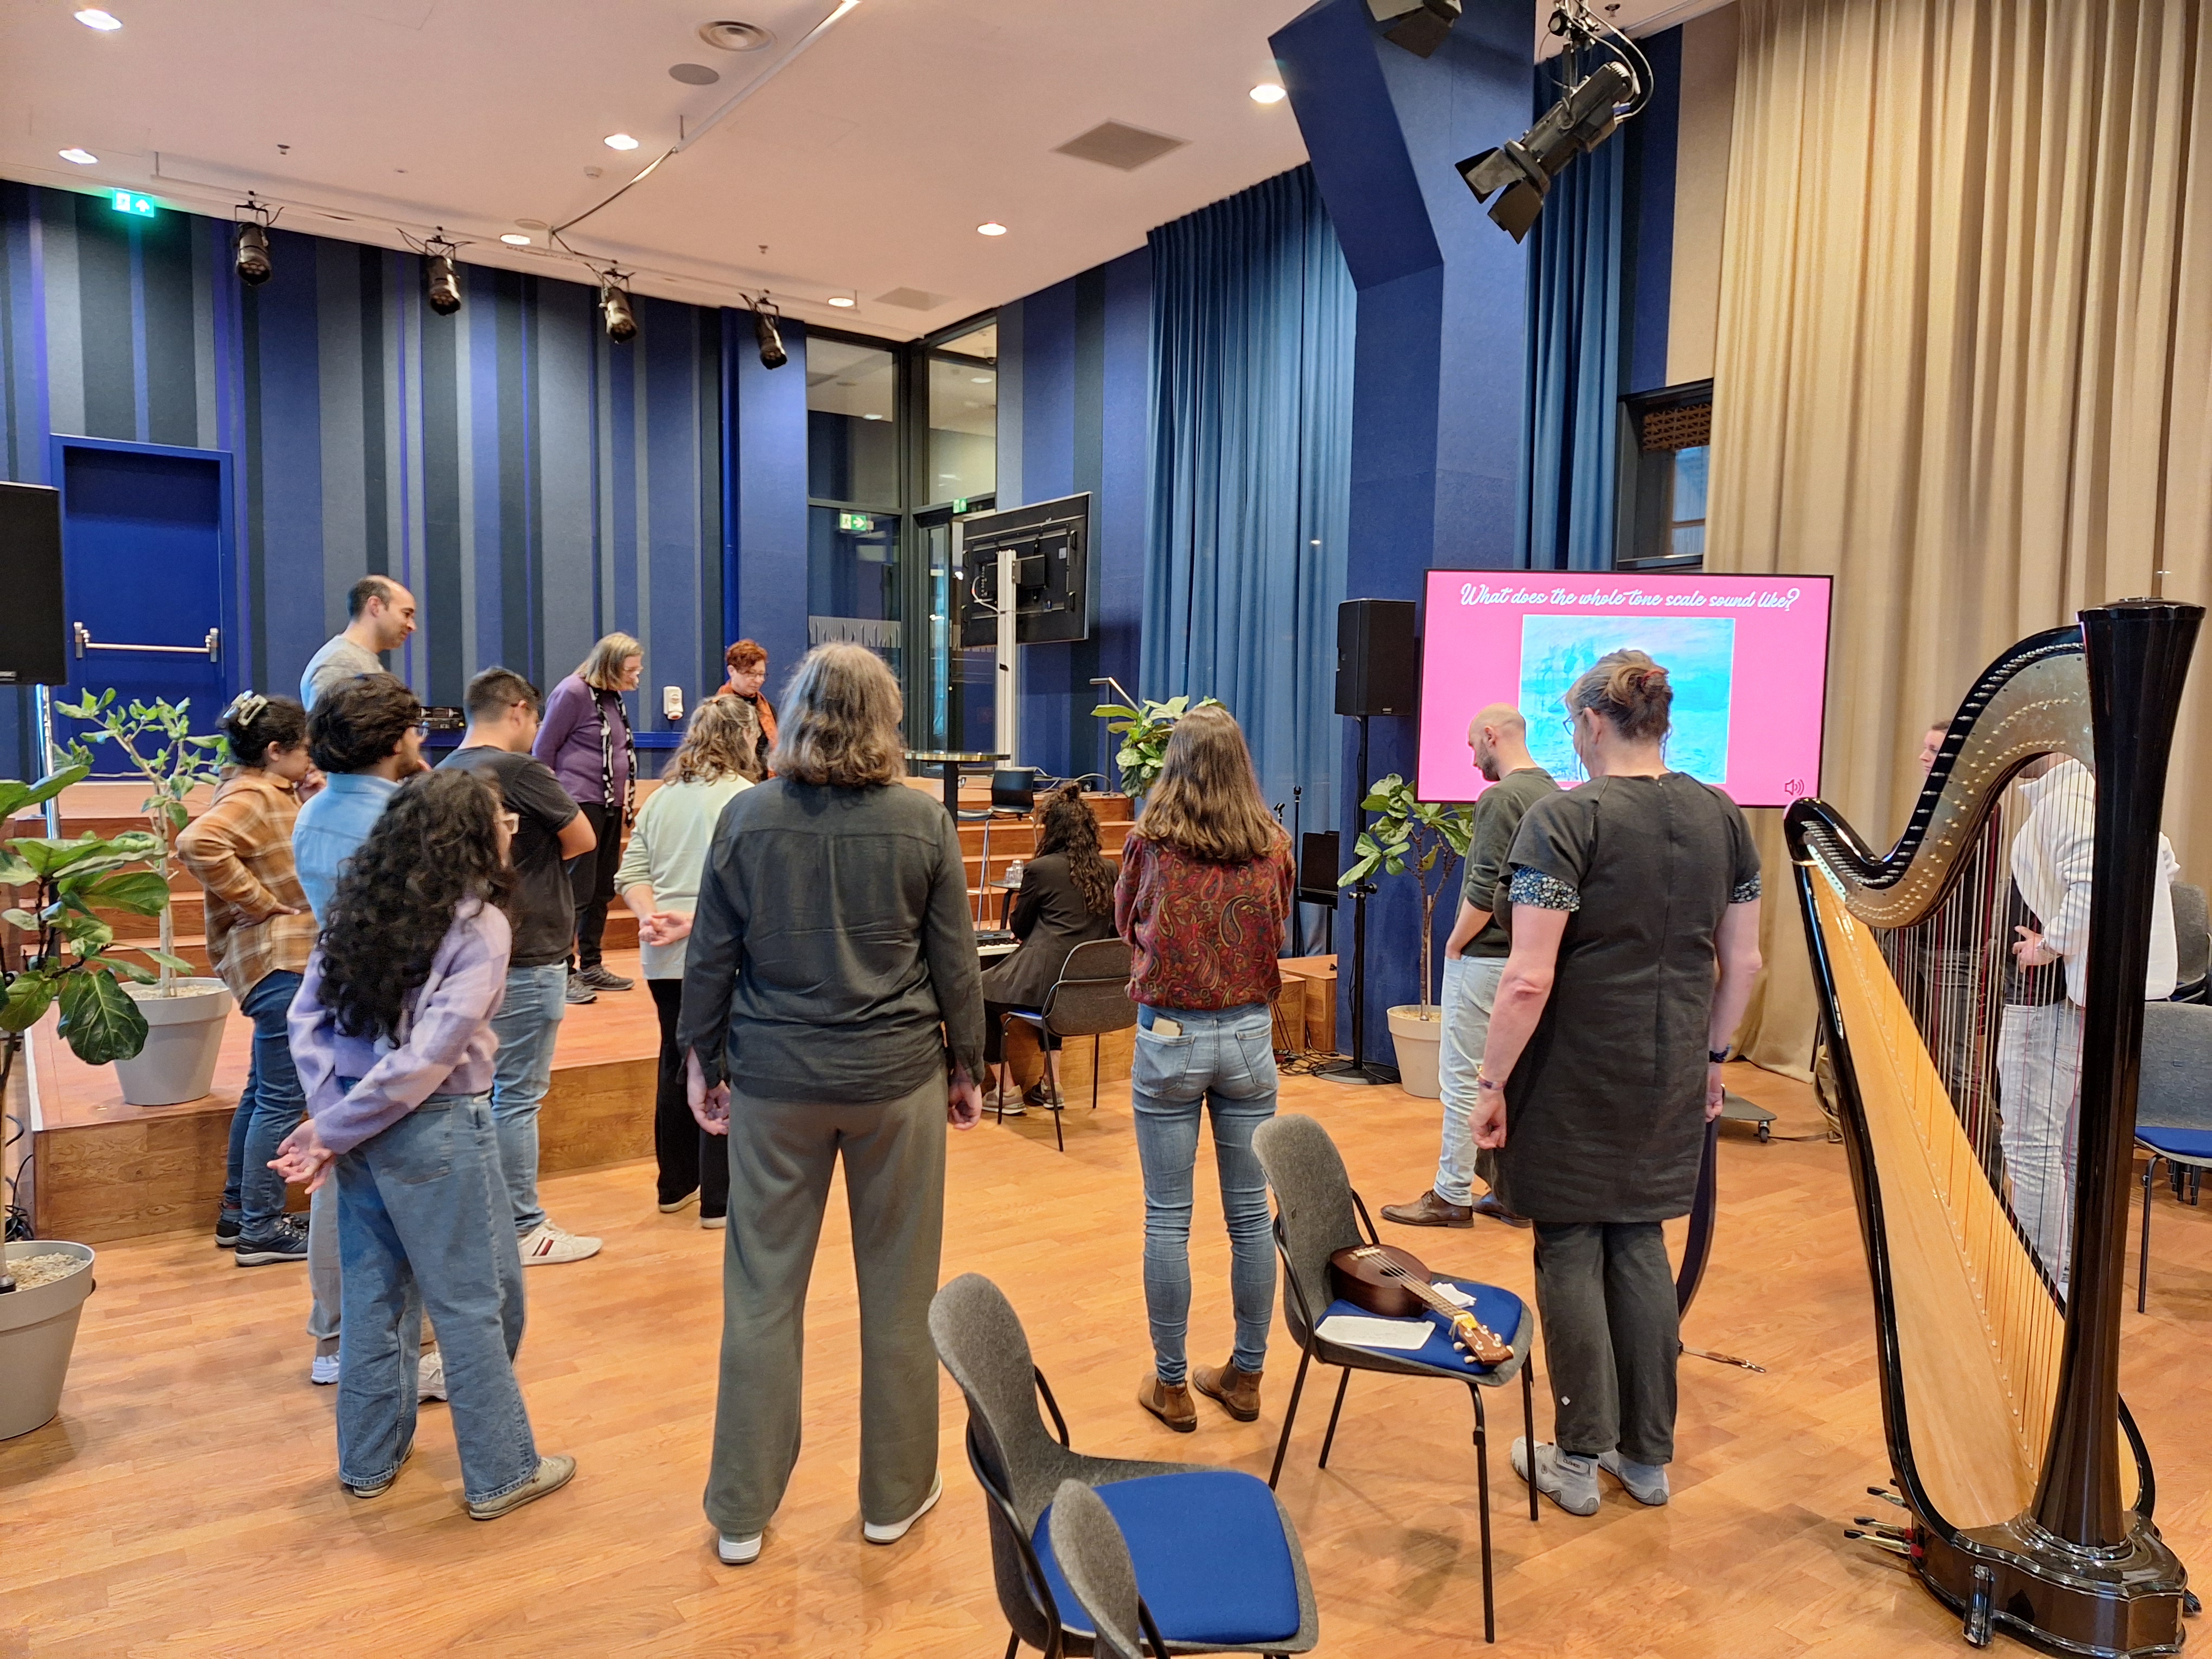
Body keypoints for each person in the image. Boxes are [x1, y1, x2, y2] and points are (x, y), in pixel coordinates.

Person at [677, 642, 984, 1567]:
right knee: (900, 1293)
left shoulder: (747, 816)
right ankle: (894, 1496)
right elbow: (956, 959)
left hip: (775, 1084)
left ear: (798, 715)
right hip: (896, 1081)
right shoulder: (922, 822)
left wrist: (700, 1056)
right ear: (884, 719)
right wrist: (968, 1063)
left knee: (761, 1294)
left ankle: (740, 1511)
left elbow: (711, 952)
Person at [1474, 650, 1763, 1519]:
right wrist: (1713, 1062)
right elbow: (1744, 962)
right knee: (1639, 1243)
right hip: (1671, 1067)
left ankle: (1575, 1458)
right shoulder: (1722, 815)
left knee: (1568, 1245)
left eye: (1573, 724)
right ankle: (1645, 1460)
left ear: (1594, 722)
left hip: (1574, 1070)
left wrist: (1489, 1082)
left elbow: (1528, 979)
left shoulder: (1567, 818)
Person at [273, 768, 576, 1521]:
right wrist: (332, 1128)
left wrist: (332, 1119)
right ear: (472, 836)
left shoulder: (356, 907)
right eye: (502, 820)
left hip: (360, 1128)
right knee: (476, 1302)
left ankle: (368, 1461)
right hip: (435, 1129)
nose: (510, 829)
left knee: (374, 1297)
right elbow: (428, 1060)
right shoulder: (479, 925)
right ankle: (502, 1471)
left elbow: (306, 1022)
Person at [1115, 705, 1295, 1433]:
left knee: (1168, 1218)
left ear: (1177, 764)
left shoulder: (1148, 844)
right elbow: (1279, 925)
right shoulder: (1274, 845)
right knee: (1251, 1219)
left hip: (1170, 1036)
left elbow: (1126, 923)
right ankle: (1246, 1377)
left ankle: (1172, 1386)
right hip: (1249, 1036)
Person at [293, 672, 436, 1393]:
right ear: (392, 739)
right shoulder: (406, 821)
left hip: (339, 1013)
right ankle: (409, 1348)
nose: (420, 740)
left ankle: (336, 1337)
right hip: (403, 1021)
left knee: (339, 1174)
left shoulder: (312, 813)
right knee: (416, 1189)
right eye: (414, 729)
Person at [1997, 755, 2178, 1296]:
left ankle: (2049, 1285)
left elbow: (2095, 882)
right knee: (2066, 1149)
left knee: (2031, 1146)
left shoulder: (2069, 799)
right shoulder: (2094, 795)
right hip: (2079, 1002)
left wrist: (2051, 945)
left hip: (2049, 1001)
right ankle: (2073, 1281)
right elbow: (2163, 863)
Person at [439, 668, 603, 1265]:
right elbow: (583, 839)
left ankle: (480, 1218)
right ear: (517, 710)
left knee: (476, 1093)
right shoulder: (522, 771)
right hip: (528, 950)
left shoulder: (440, 773)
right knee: (518, 1096)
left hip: (464, 953)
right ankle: (523, 1226)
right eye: (534, 717)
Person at [1382, 704, 1555, 1230]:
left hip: (1484, 958)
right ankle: (1512, 1194)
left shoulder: (1500, 799)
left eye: (1472, 745)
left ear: (1491, 736)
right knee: (1516, 1077)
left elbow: (1485, 887)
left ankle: (1450, 1193)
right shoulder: (1553, 793)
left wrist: (1454, 945)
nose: (1473, 758)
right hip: (1531, 956)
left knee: (1462, 1077)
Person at [175, 693, 319, 1268]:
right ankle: (262, 1228)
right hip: (282, 963)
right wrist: (258, 902)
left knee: (263, 1093)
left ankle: (240, 1213)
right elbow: (196, 842)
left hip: (276, 966)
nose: (312, 759)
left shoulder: (265, 790)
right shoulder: (253, 795)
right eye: (305, 749)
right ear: (276, 750)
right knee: (282, 1101)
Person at [615, 695, 761, 1228]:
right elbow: (751, 892)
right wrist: (695, 922)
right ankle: (720, 1201)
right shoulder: (746, 799)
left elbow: (631, 874)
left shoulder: (661, 798)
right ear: (744, 738)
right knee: (722, 1064)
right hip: (720, 956)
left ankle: (674, 1186)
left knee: (675, 1061)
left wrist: (651, 916)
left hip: (662, 957)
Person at [981, 785, 1118, 1116]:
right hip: (1083, 986)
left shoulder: (1041, 870)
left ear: (1051, 829)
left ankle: (1006, 1090)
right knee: (1054, 994)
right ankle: (1052, 1083)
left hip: (1047, 982)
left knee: (975, 993)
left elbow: (1019, 927)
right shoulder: (1109, 869)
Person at [535, 634, 641, 1005]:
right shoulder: (572, 692)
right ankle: (562, 971)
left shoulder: (611, 696)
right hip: (579, 802)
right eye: (631, 670)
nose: (638, 675)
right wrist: (549, 805)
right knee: (577, 890)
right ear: (610, 666)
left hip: (610, 803)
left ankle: (592, 963)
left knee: (602, 887)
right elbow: (544, 749)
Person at [301, 576, 417, 709]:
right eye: (406, 614)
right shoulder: (342, 662)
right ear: (375, 606)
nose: (412, 626)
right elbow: (330, 722)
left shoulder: (354, 660)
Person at [716, 639, 777, 776]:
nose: (759, 680)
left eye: (761, 674)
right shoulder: (717, 711)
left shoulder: (769, 709)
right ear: (732, 671)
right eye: (751, 674)